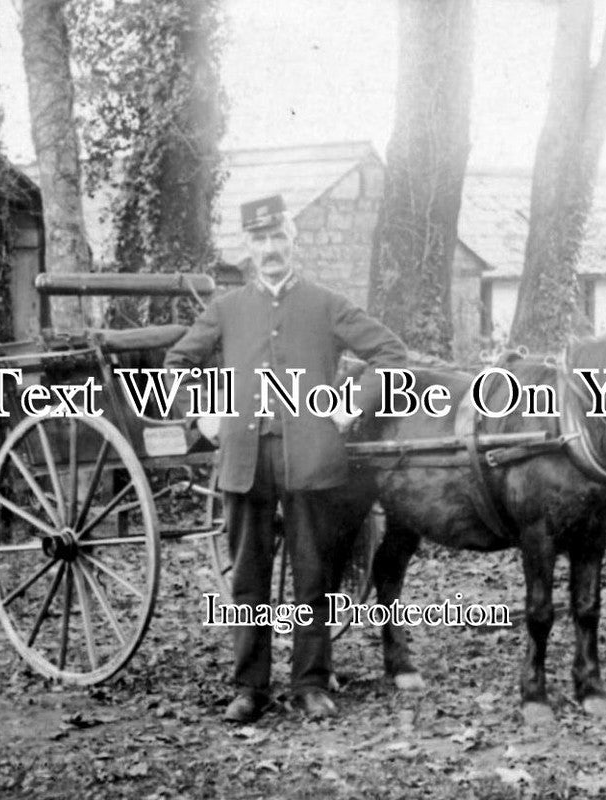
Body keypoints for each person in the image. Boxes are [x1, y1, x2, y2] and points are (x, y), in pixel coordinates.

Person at [164, 195, 407, 723]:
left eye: (279, 238)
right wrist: (203, 416)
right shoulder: (227, 310)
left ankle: (310, 683)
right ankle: (249, 687)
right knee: (248, 579)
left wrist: (351, 406)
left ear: (293, 243)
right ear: (248, 248)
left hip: (313, 461)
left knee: (313, 574)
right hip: (245, 461)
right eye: (260, 240)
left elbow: (391, 354)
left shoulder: (326, 303)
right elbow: (176, 363)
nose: (270, 249)